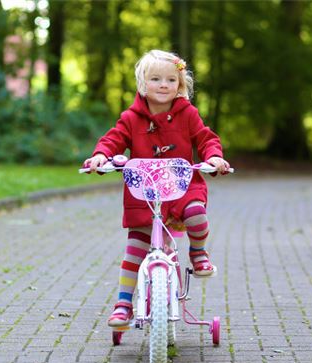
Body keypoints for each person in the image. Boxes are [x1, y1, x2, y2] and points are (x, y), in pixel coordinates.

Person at [83, 49, 230, 327]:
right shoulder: (131, 117)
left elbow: (205, 138)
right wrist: (101, 155)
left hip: (181, 186)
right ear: (142, 83)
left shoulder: (187, 113)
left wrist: (214, 157)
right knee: (134, 251)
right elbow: (113, 139)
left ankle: (197, 252)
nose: (164, 85)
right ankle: (123, 305)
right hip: (145, 193)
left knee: (197, 216)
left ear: (180, 85)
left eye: (171, 80)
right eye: (155, 79)